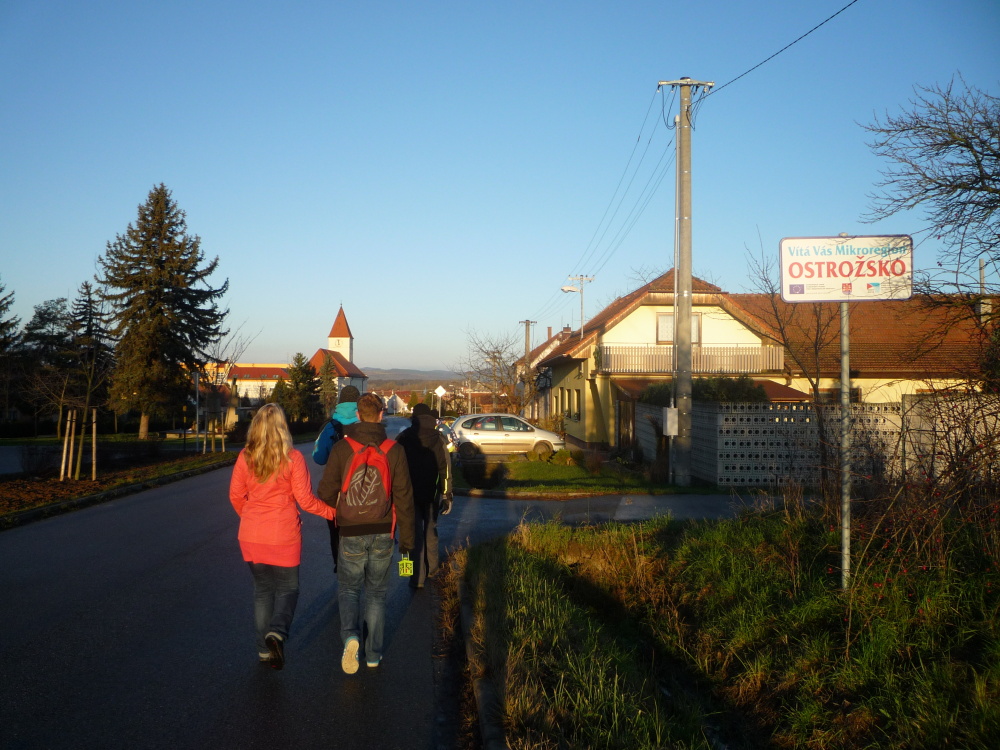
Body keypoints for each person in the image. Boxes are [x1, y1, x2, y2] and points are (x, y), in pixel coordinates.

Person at [229, 403, 335, 670]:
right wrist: (333, 513)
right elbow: (305, 500)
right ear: (282, 426)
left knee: (263, 591)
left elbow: (235, 495)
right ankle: (277, 631)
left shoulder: (245, 456)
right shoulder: (293, 458)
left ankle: (263, 651)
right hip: (283, 533)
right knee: (288, 588)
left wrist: (251, 518)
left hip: (251, 534)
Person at [318, 392, 415, 674]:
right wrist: (407, 545)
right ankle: (373, 654)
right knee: (376, 594)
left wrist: (339, 511)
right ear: (382, 414)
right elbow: (405, 499)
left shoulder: (342, 448)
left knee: (349, 589)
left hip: (350, 531)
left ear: (358, 415)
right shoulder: (394, 449)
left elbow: (324, 493)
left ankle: (350, 637)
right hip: (384, 531)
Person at [396, 403, 452, 588]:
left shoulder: (403, 438)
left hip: (407, 495)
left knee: (412, 533)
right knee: (430, 530)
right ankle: (433, 570)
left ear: (414, 417)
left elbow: (395, 469)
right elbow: (446, 470)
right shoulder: (439, 439)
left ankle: (415, 577)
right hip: (432, 494)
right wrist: (447, 495)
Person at [312, 385, 361, 572]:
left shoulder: (330, 426)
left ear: (340, 401)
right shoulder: (365, 425)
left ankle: (340, 567)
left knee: (336, 533)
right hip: (363, 489)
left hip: (337, 492)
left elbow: (318, 458)